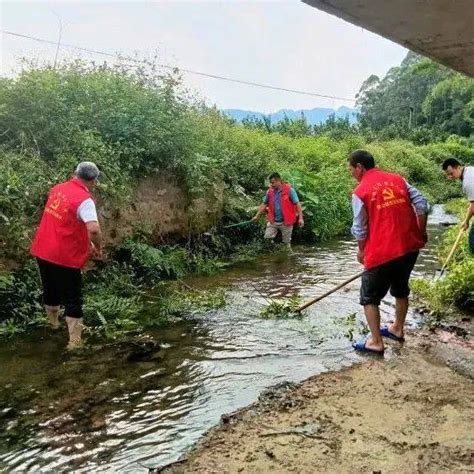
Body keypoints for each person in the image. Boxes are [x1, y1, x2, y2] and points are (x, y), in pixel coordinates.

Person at [348, 150, 428, 354]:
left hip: (382, 252)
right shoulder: (398, 179)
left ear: (359, 167)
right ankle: (397, 329)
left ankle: (375, 342)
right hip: (409, 248)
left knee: (369, 297)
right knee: (401, 289)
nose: (351, 173)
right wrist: (420, 232)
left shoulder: (360, 191)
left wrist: (361, 250)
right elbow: (422, 203)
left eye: (351, 168)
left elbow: (360, 227)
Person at [31, 162, 103, 350]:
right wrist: (97, 246)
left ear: (74, 174)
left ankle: (54, 326)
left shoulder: (57, 189)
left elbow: (66, 222)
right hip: (64, 256)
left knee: (50, 288)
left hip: (43, 249)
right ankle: (75, 342)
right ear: (94, 181)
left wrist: (87, 243)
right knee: (73, 297)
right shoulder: (85, 200)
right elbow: (94, 229)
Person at [252, 172, 304, 246]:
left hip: (287, 222)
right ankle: (273, 253)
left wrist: (301, 218)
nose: (271, 184)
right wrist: (257, 216)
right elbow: (264, 204)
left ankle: (286, 255)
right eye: (270, 183)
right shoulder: (269, 192)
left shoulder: (290, 190)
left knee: (286, 244)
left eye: (272, 183)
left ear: (279, 181)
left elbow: (297, 204)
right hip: (273, 221)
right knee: (267, 239)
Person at [442, 157, 474, 253]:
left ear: (458, 167)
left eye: (451, 173)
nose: (450, 177)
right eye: (448, 175)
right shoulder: (470, 170)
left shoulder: (468, 181)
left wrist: (466, 221)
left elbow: (473, 206)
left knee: (473, 241)